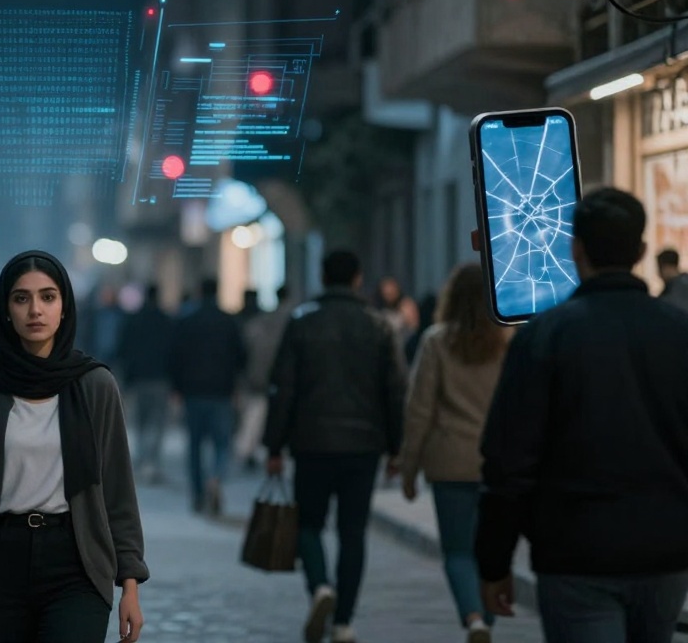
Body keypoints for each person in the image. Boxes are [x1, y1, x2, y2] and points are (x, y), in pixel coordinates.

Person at [477, 188, 688, 643]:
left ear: (576, 248)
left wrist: (493, 562)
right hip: (666, 548)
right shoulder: (679, 333)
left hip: (575, 552)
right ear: (641, 252)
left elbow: (509, 460)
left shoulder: (546, 336)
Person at [0, 250, 147, 642]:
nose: (36, 309)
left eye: (48, 297)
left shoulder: (94, 385)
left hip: (77, 562)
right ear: (5, 310)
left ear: (64, 308)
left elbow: (118, 492)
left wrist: (130, 585)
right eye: (22, 298)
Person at [265, 250, 408, 643]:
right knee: (353, 532)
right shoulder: (379, 326)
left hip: (311, 443)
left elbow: (283, 389)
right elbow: (395, 392)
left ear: (323, 278)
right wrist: (397, 448)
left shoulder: (302, 322)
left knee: (309, 524)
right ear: (358, 278)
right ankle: (344, 621)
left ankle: (320, 587)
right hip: (364, 445)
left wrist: (273, 446)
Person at [396, 263, 510, 643]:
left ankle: (474, 619)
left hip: (450, 463)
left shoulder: (436, 341)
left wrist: (408, 468)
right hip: (498, 464)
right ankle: (486, 622)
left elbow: (419, 410)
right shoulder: (509, 340)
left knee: (458, 552)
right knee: (491, 553)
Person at [168, 278, 247, 515]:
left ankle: (198, 493)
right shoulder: (229, 321)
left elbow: (175, 356)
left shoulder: (186, 321)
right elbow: (241, 356)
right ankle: (216, 476)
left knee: (195, 444)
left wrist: (177, 387)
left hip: (193, 392)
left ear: (199, 291)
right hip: (221, 391)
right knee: (222, 442)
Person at [114, 284, 174, 484]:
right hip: (161, 378)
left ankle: (141, 463)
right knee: (157, 423)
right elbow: (174, 351)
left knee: (140, 422)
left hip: (138, 379)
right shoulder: (166, 321)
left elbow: (122, 348)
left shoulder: (133, 320)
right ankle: (152, 463)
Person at [235, 285, 297, 472]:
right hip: (284, 379)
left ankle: (249, 451)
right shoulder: (295, 319)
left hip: (258, 378)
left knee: (254, 418)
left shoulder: (259, 322)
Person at [655, 248, 688, 312]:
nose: (659, 275)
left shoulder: (672, 292)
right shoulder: (683, 283)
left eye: (660, 269)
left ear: (666, 268)